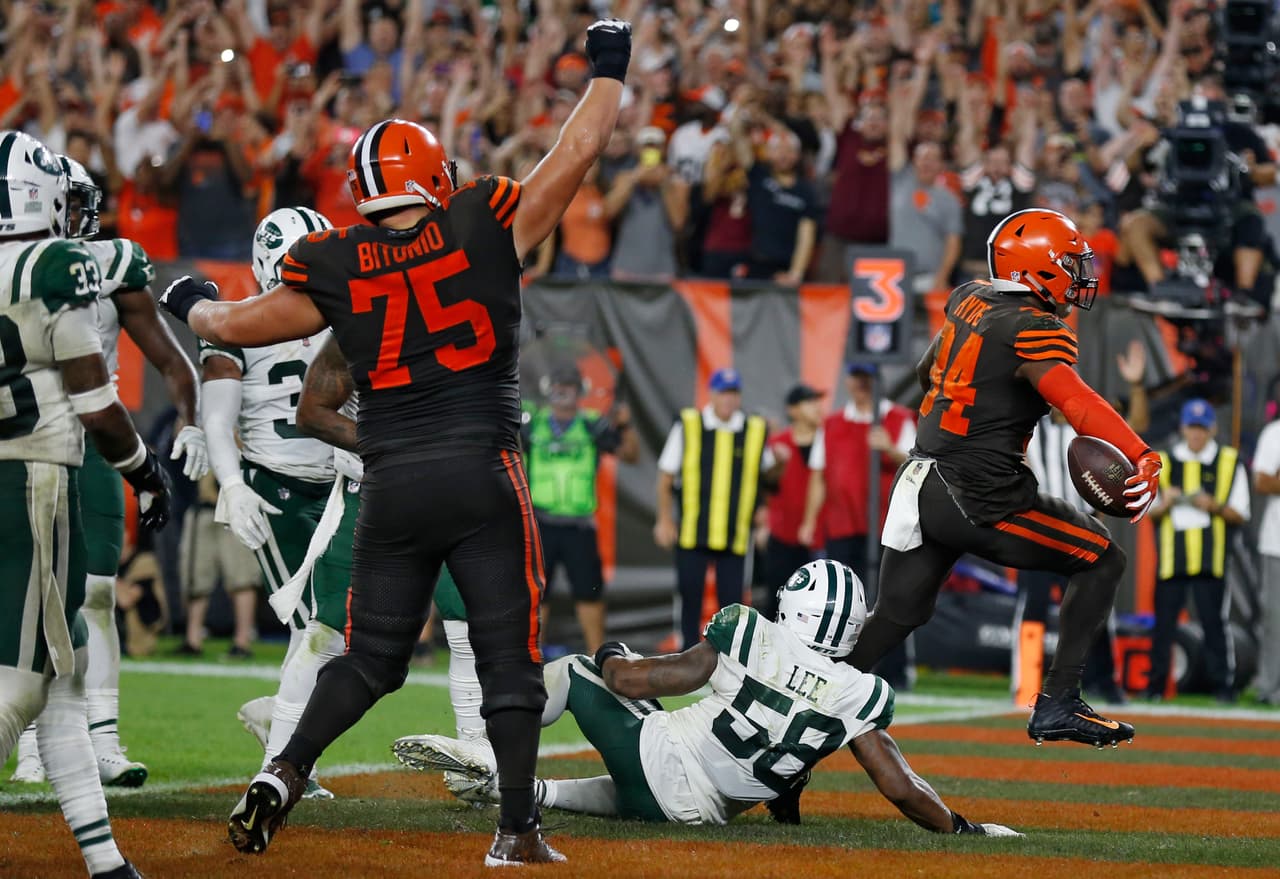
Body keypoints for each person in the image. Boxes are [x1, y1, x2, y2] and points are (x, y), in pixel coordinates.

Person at [158, 19, 634, 866]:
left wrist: (185, 296)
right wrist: (608, 62)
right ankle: (516, 831)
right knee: (510, 660)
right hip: (484, 469)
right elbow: (581, 146)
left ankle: (285, 771)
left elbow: (228, 321)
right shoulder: (482, 216)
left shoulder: (336, 260)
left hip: (391, 480)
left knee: (370, 655)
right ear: (432, 175)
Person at [392, 561, 1021, 838]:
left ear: (793, 607)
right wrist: (961, 826)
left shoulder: (748, 629)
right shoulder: (858, 691)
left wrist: (613, 653)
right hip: (702, 812)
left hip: (663, 767)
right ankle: (527, 791)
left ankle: (486, 755)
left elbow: (637, 685)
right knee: (661, 776)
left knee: (578, 669)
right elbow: (899, 785)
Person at [845, 208, 1162, 748]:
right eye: (1069, 264)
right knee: (1102, 557)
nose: (1080, 275)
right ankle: (1058, 701)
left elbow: (927, 373)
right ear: (1037, 268)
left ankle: (792, 722)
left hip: (920, 479)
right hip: (980, 494)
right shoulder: (1034, 328)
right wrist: (1140, 453)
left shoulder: (971, 299)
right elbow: (1077, 401)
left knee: (895, 616)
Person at [0, 128, 170, 879]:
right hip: (34, 482)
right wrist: (143, 469)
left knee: (63, 676)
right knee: (22, 687)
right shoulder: (53, 265)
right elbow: (97, 401)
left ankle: (105, 861)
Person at [11, 155, 207, 789]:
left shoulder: (113, 262)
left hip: (93, 442)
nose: (73, 214)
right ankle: (38, 741)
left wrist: (192, 420)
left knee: (90, 592)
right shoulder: (13, 263)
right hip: (22, 442)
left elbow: (172, 359)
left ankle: (101, 737)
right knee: (26, 592)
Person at [198, 205, 341, 796]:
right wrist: (232, 484)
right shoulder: (234, 323)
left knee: (329, 628)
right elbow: (217, 417)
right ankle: (283, 763)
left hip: (336, 485)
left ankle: (278, 731)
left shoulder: (339, 314)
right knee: (318, 625)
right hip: (276, 485)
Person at [654, 368, 777, 650]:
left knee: (732, 603)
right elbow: (665, 477)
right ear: (711, 394)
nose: (728, 400)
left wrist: (762, 515)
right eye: (723, 393)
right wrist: (663, 519)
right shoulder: (689, 424)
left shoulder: (754, 430)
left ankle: (728, 657)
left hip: (736, 533)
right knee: (689, 595)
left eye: (733, 393)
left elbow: (767, 476)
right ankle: (686, 653)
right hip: (692, 529)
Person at [522, 364, 638, 654]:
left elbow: (631, 455)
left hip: (579, 525)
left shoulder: (591, 424)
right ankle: (530, 656)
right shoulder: (533, 424)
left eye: (569, 387)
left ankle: (597, 658)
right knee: (537, 594)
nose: (563, 393)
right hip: (540, 523)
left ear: (579, 392)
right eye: (557, 387)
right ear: (548, 391)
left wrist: (624, 425)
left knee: (589, 593)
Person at [1144, 399, 1249, 703]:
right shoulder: (1162, 461)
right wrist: (1166, 503)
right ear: (1183, 428)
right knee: (1163, 625)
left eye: (1202, 428)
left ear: (1213, 429)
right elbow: (1149, 512)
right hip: (1172, 559)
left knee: (1214, 623)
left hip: (1210, 558)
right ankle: (1155, 687)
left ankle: (1223, 687)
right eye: (1192, 427)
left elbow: (1241, 512)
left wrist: (1213, 506)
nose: (1197, 434)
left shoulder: (1228, 461)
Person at [762, 384, 826, 621]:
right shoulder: (778, 444)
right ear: (793, 410)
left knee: (817, 606)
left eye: (817, 401)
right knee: (778, 601)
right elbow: (765, 484)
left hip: (822, 536)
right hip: (783, 535)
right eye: (809, 402)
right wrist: (778, 463)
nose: (817, 407)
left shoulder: (829, 439)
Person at [1251, 389, 1280, 706]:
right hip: (1277, 543)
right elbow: (1261, 481)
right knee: (1275, 621)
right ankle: (1270, 689)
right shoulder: (1275, 433)